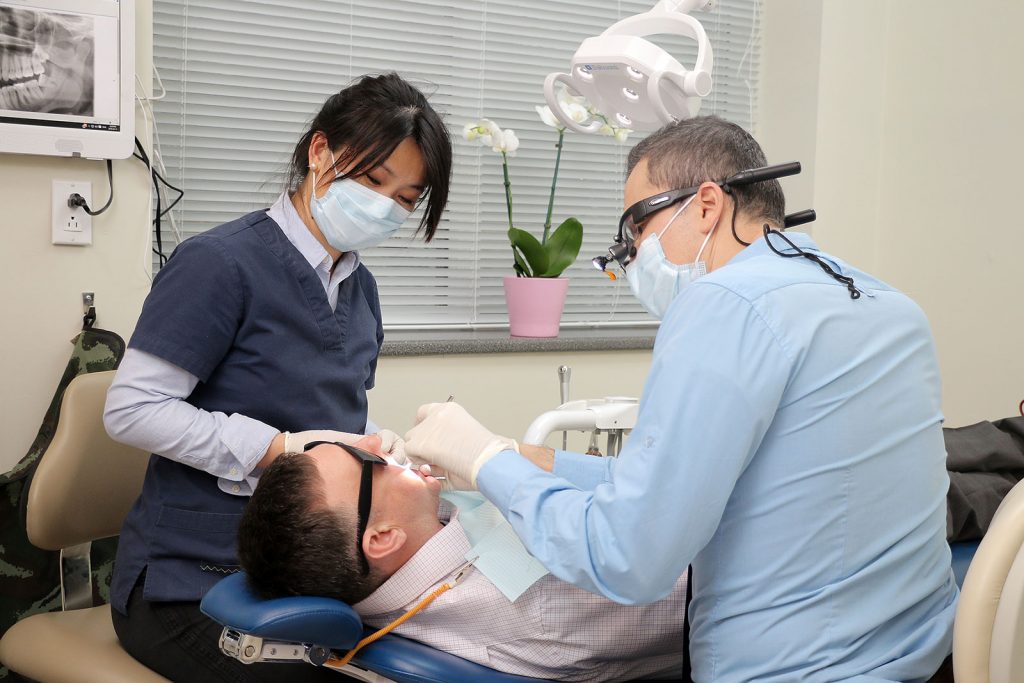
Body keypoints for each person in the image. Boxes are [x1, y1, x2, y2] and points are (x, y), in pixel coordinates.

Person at [403, 116, 959, 682]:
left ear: (707, 205)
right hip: (924, 660)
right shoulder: (889, 306)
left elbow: (628, 557)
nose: (633, 253)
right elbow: (731, 484)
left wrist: (486, 461)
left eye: (636, 228)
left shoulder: (723, 302)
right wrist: (523, 458)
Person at [102, 73, 452, 682]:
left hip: (310, 576)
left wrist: (378, 444)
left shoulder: (360, 287)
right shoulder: (220, 264)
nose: (385, 206)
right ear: (320, 152)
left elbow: (327, 409)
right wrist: (275, 449)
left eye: (405, 197)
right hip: (191, 581)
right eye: (374, 180)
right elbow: (131, 409)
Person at [236, 436, 687, 682]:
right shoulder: (543, 602)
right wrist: (511, 461)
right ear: (384, 538)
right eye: (363, 457)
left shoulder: (415, 556)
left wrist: (505, 464)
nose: (375, 440)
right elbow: (699, 545)